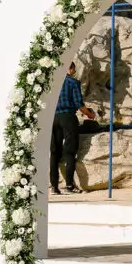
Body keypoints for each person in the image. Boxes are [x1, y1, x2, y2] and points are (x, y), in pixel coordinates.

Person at [50, 62, 92, 195]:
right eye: (74, 69)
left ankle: (54, 187)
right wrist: (89, 114)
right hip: (68, 117)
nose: (74, 72)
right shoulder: (72, 82)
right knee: (70, 151)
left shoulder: (52, 83)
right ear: (70, 69)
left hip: (53, 119)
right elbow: (79, 104)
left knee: (54, 152)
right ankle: (69, 185)